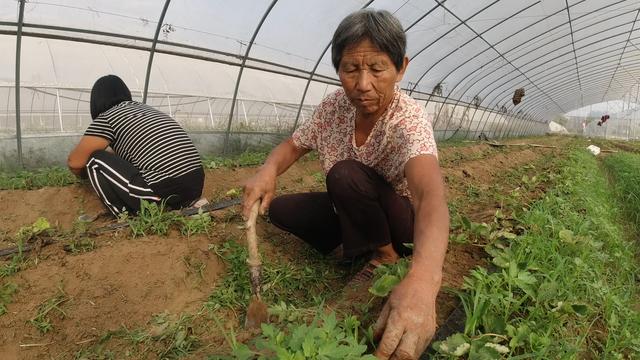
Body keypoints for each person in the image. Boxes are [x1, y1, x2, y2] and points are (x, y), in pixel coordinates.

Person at [242, 9, 449, 359]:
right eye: (351, 69)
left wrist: (425, 280)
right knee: (279, 209)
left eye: (377, 68)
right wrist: (268, 171)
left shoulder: (408, 119)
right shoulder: (335, 107)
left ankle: (384, 256)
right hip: (354, 203)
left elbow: (430, 195)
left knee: (343, 173)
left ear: (401, 68)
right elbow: (294, 144)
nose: (363, 84)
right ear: (339, 69)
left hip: (400, 221)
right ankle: (356, 240)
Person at [67, 75, 205, 216]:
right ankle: (183, 203)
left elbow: (75, 163)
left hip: (160, 192)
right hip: (194, 188)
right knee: (116, 157)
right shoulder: (147, 111)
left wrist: (86, 175)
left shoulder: (107, 117)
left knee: (94, 160)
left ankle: (123, 215)